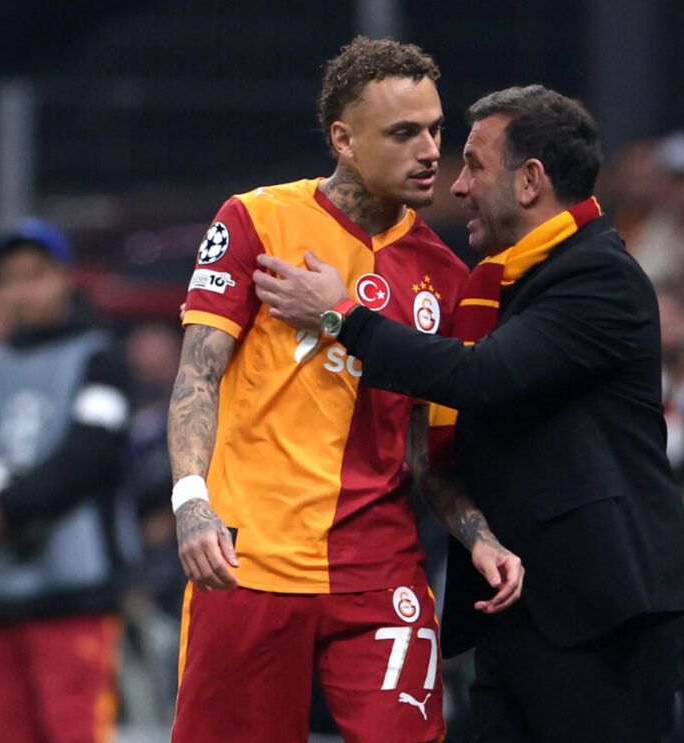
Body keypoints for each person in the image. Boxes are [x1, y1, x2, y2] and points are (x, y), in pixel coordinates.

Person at [253, 83, 684, 742]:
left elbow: (482, 376)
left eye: (474, 165)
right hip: (525, 607)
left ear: (530, 181)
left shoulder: (597, 277)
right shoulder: (504, 286)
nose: (459, 185)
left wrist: (342, 316)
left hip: (606, 613)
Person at [167, 36, 522, 743]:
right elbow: (196, 375)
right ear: (344, 140)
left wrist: (478, 536)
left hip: (379, 570)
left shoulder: (447, 276)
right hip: (249, 562)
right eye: (403, 133)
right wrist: (190, 503)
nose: (430, 151)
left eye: (435, 130)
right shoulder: (257, 220)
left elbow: (426, 452)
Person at [0, 218, 132, 743]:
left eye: (35, 275)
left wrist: (2, 509)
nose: (24, 291)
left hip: (74, 590)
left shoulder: (99, 357)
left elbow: (89, 457)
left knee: (75, 731)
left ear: (64, 277)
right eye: (11, 279)